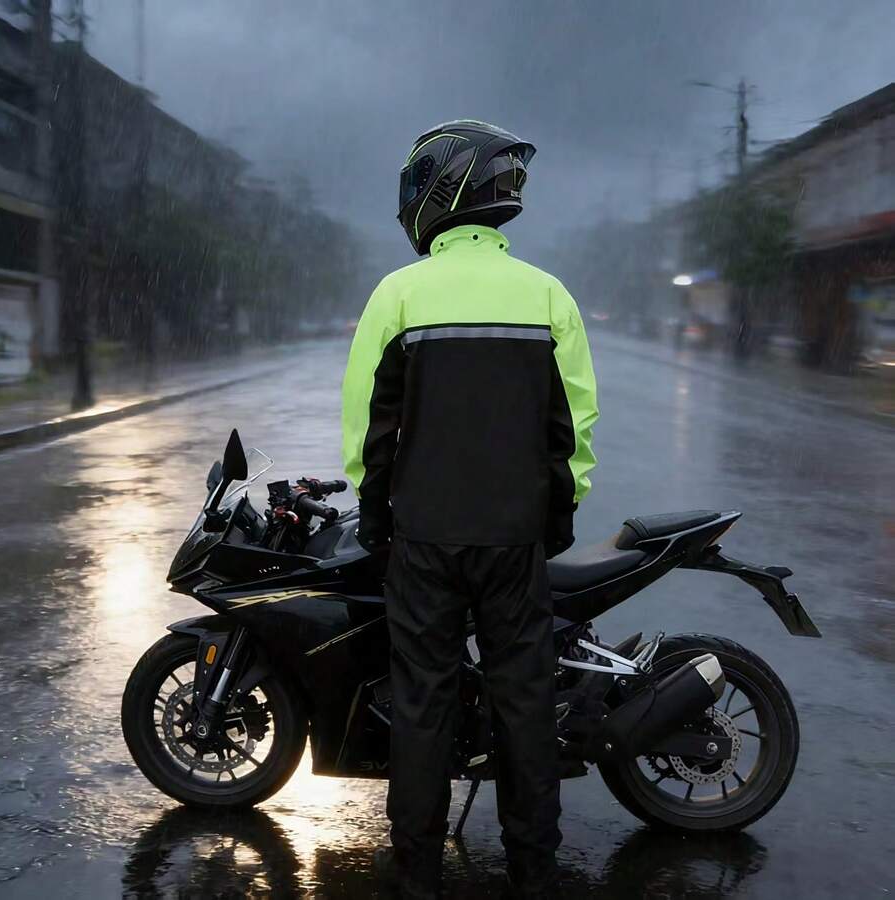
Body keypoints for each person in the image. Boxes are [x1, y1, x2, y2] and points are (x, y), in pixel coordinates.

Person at [341, 120, 598, 899]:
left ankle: (419, 877)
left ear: (438, 193)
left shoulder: (398, 294)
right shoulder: (548, 295)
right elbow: (574, 427)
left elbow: (367, 428)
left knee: (424, 708)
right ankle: (532, 874)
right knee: (525, 707)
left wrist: (378, 519)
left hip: (423, 541)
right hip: (513, 542)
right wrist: (556, 515)